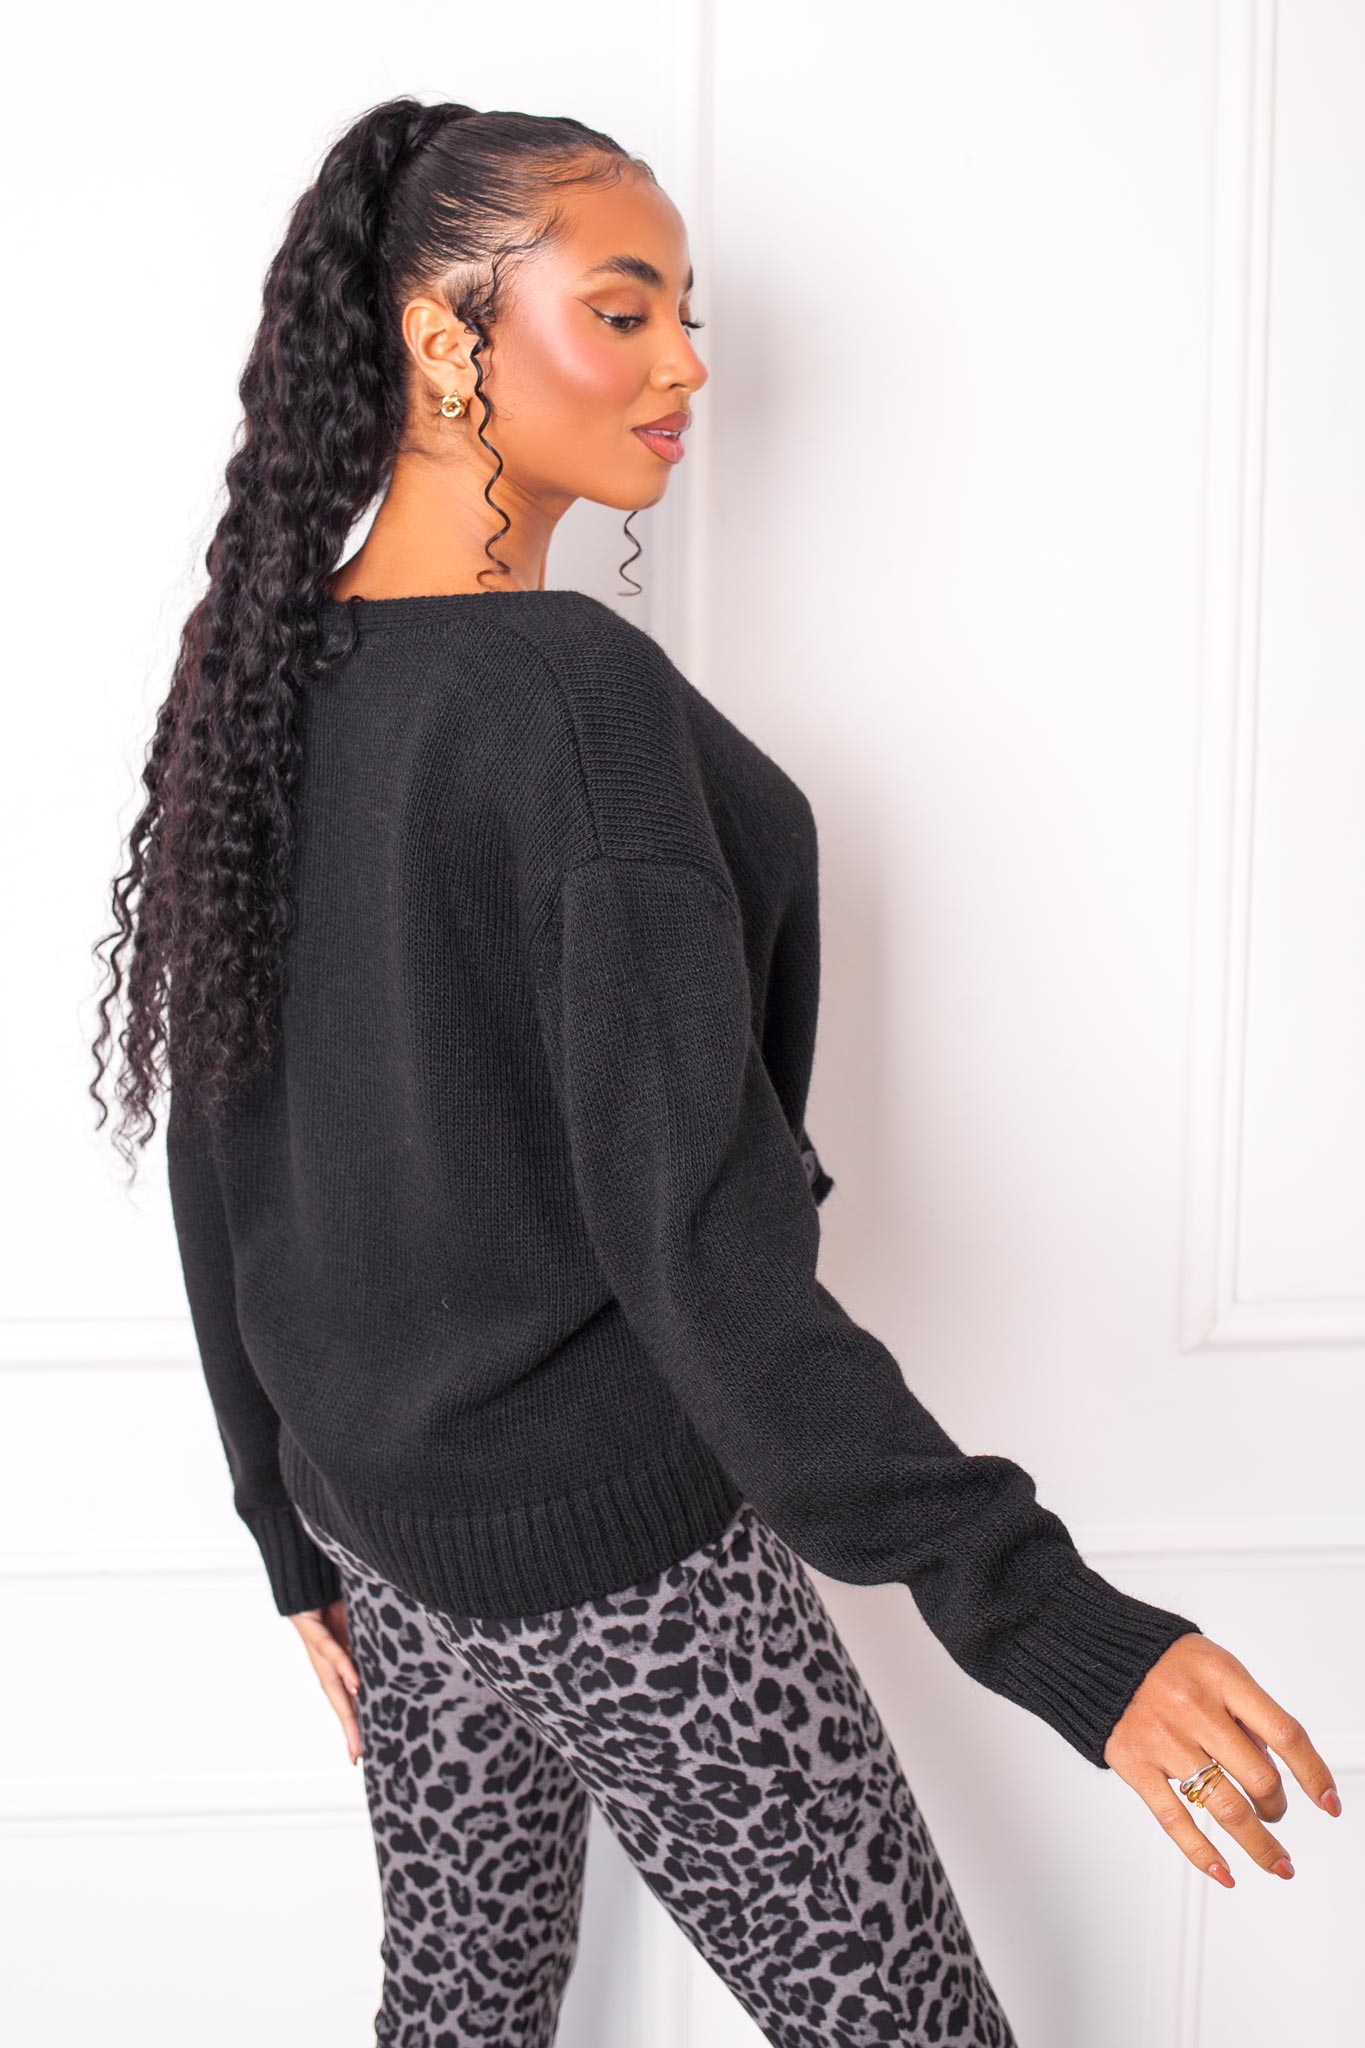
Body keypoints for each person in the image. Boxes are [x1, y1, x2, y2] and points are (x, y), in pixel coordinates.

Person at [89, 95, 1343, 2048]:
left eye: (688, 314)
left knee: (457, 2018)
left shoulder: (266, 678)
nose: (685, 365)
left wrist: (283, 1526)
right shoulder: (567, 699)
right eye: (623, 310)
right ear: (442, 339)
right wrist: (1055, 1627)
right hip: (618, 1564)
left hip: (378, 1528)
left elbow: (215, 1148)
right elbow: (701, 1255)